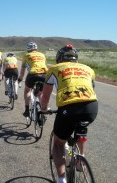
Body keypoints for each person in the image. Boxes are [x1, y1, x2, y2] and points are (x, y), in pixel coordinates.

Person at [40, 44, 98, 183]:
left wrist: (44, 109)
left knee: (59, 144)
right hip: (91, 107)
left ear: (59, 59)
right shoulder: (88, 69)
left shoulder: (54, 69)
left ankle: (61, 180)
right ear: (75, 59)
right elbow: (90, 88)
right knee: (81, 131)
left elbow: (45, 96)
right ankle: (80, 160)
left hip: (68, 109)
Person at [17, 42, 48, 117]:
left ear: (28, 49)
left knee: (27, 90)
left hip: (33, 74)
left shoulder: (26, 55)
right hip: (44, 74)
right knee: (40, 94)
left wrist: (20, 79)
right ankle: (43, 112)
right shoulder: (42, 55)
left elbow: (23, 70)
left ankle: (27, 110)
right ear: (36, 48)